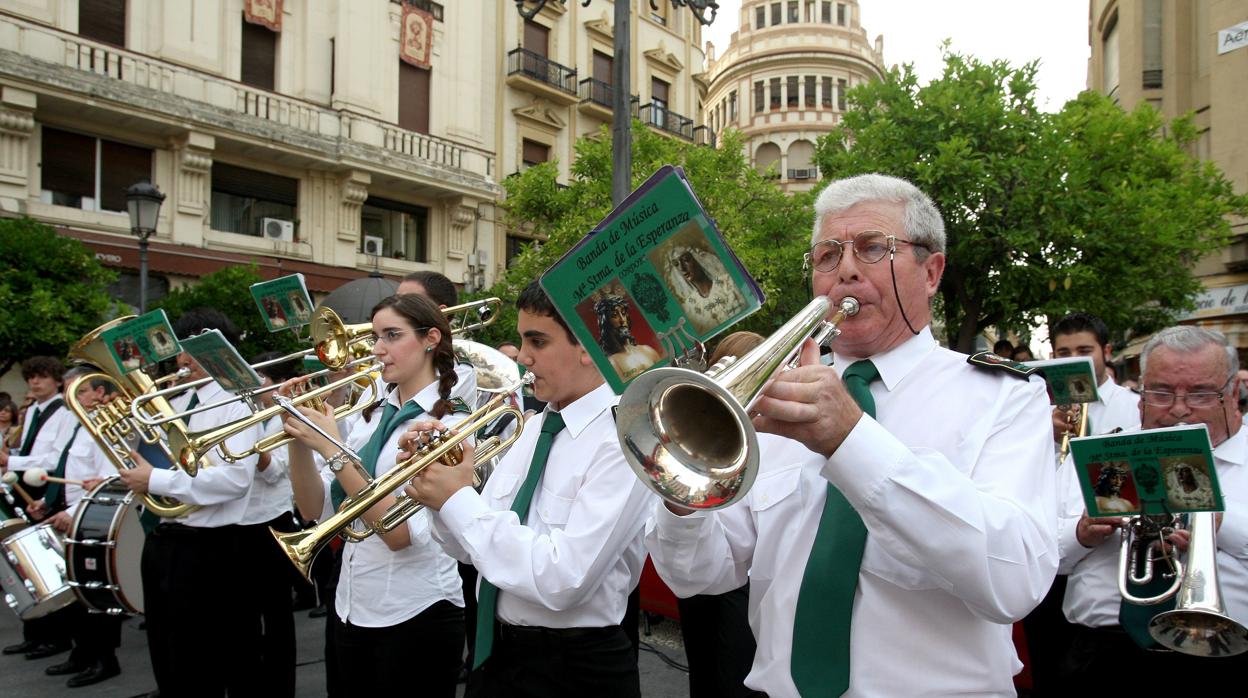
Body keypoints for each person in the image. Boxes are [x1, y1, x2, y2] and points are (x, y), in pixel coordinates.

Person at [645, 173, 1057, 696]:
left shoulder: (1005, 398)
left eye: (872, 248)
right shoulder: (777, 395)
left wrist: (852, 441)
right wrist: (683, 489)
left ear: (931, 272)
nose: (844, 271)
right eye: (826, 256)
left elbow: (1014, 581)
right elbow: (701, 574)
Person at [406, 281, 651, 698]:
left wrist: (457, 500)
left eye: (537, 340)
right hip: (497, 653)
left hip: (575, 669)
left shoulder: (625, 439)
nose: (522, 357)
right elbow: (471, 550)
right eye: (522, 340)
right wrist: (436, 492)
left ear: (590, 347)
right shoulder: (531, 428)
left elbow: (564, 579)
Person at [281, 293, 467, 695]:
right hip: (352, 605)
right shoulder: (370, 412)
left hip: (416, 610)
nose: (377, 349)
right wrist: (298, 436)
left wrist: (332, 448)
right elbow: (316, 509)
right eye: (376, 336)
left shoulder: (452, 421)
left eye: (392, 335)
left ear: (431, 338)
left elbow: (398, 535)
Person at [1056, 325, 1248, 691]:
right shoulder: (1101, 454)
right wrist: (1080, 535)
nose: (1179, 409)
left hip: (1224, 652)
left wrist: (1219, 521)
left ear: (1233, 393)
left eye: (1200, 393)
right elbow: (1036, 554)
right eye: (1160, 392)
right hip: (1099, 657)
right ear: (1141, 395)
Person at [116, 308, 266, 697]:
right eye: (182, 350)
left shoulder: (237, 403)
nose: (183, 360)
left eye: (195, 350)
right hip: (164, 537)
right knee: (167, 654)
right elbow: (149, 457)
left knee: (205, 661)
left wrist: (156, 479)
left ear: (222, 351)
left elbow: (235, 479)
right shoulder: (177, 399)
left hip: (209, 548)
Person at [1026, 312, 1143, 694]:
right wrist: (1042, 430)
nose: (1072, 360)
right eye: (1063, 352)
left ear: (1107, 352)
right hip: (1044, 556)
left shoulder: (1134, 408)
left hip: (1097, 571)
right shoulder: (1037, 410)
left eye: (1084, 350)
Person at [674, 332, 766, 698]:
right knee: (717, 673)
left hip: (734, 578)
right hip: (713, 568)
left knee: (721, 675)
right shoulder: (703, 417)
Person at [25, 366, 124, 687]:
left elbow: (108, 479)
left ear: (98, 392)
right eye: (68, 392)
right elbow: (67, 469)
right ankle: (81, 653)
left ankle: (103, 659)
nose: (71, 398)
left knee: (94, 591)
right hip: (71, 512)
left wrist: (73, 510)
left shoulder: (107, 428)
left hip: (91, 517)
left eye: (79, 391)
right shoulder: (78, 425)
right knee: (75, 592)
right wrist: (47, 502)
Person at [1, 356, 77, 660]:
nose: (35, 382)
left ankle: (56, 638)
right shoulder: (32, 410)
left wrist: (11, 461)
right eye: (31, 377)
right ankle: (34, 633)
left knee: (49, 568)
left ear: (57, 380)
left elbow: (55, 459)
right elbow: (29, 450)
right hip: (25, 491)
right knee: (24, 565)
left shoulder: (65, 413)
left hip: (47, 492)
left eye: (42, 377)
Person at [595, 294, 661, 382]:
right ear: (606, 323)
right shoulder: (613, 363)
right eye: (614, 315)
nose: (622, 320)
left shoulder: (648, 350)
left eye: (623, 313)